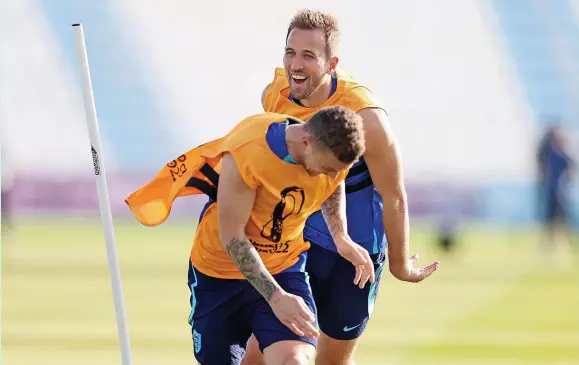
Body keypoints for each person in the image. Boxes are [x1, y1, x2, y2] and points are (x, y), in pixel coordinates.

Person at [242, 9, 440, 365]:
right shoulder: (274, 95)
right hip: (294, 244)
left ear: (331, 62)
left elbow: (394, 195)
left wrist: (399, 264)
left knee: (331, 360)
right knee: (258, 353)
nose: (295, 65)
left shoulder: (368, 119)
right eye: (290, 52)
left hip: (354, 254)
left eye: (308, 56)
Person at [125, 106, 375, 365]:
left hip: (283, 267)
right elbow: (233, 237)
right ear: (305, 142)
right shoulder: (249, 152)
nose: (333, 176)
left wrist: (341, 236)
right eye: (327, 167)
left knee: (294, 361)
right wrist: (276, 298)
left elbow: (334, 183)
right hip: (220, 273)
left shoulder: (332, 151)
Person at [536, 122, 574, 253]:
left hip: (559, 193)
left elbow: (570, 168)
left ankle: (570, 245)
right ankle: (549, 247)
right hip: (551, 192)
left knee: (564, 220)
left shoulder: (560, 155)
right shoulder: (548, 153)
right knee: (550, 222)